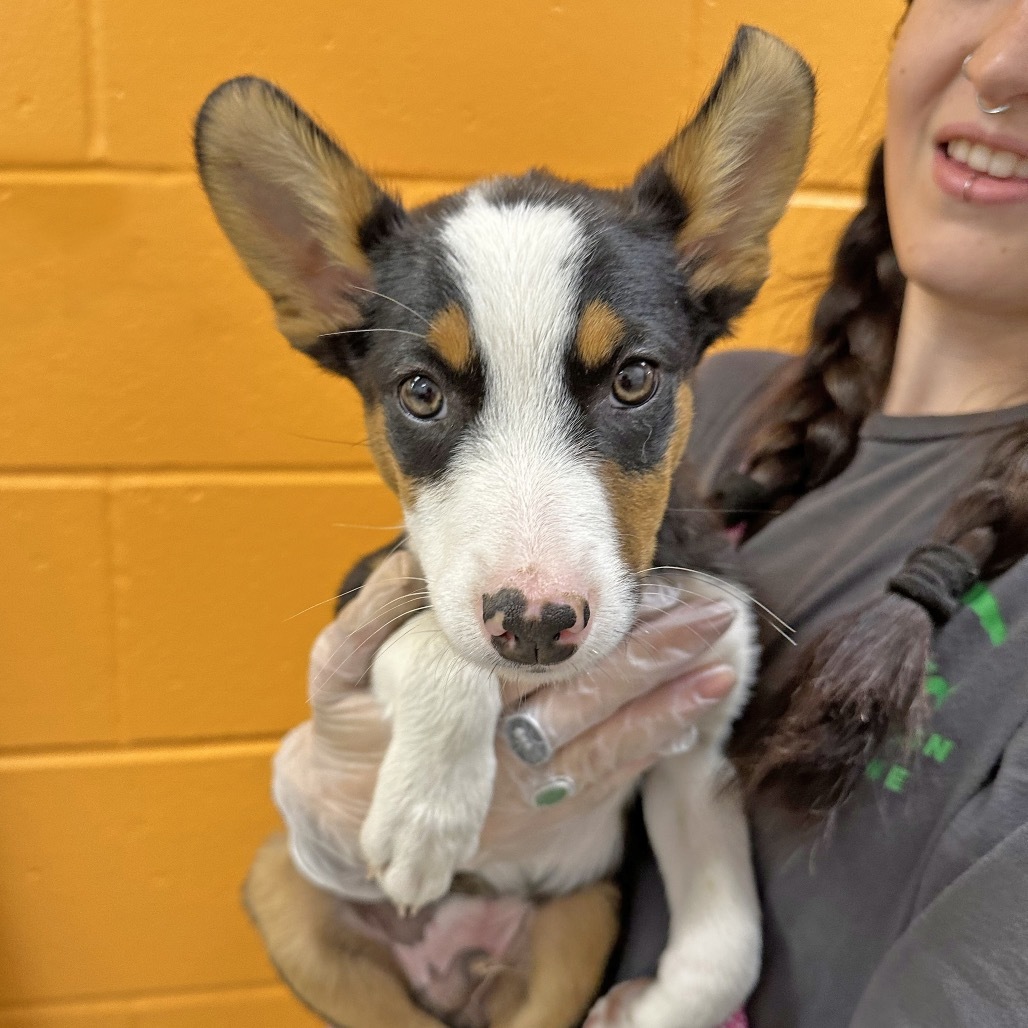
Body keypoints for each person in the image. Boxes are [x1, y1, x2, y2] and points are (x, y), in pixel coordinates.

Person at [268, 1, 1028, 1024]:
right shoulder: (723, 406)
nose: (1004, 59)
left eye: (628, 382)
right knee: (282, 888)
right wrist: (331, 809)